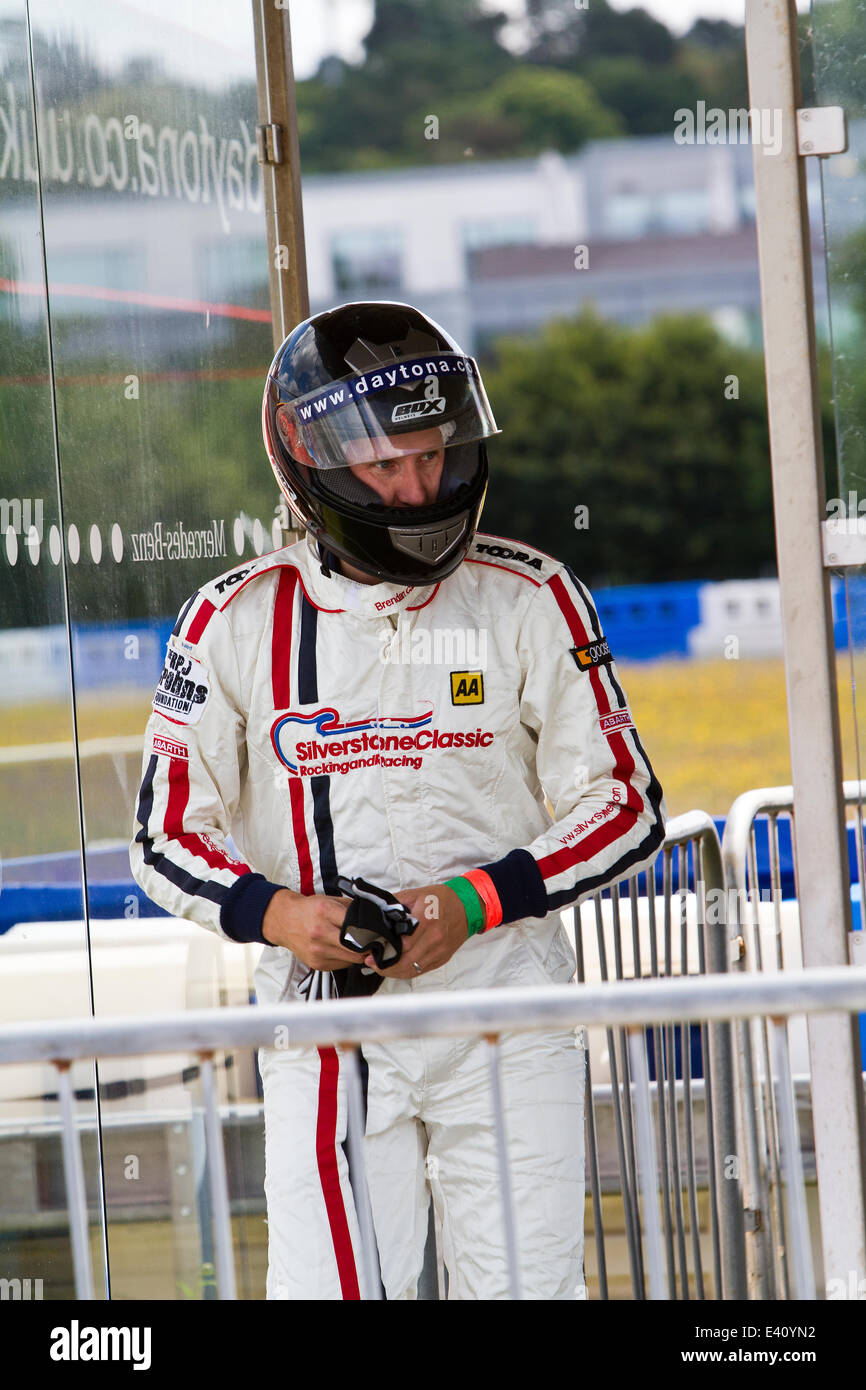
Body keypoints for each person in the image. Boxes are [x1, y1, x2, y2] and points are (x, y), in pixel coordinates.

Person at [130, 301, 666, 1300]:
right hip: (326, 1027)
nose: (418, 489)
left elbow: (626, 803)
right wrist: (281, 915)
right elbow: (164, 834)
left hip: (506, 1011)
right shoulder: (231, 617)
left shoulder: (531, 594)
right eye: (386, 467)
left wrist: (472, 903)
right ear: (312, 465)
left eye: (432, 457)